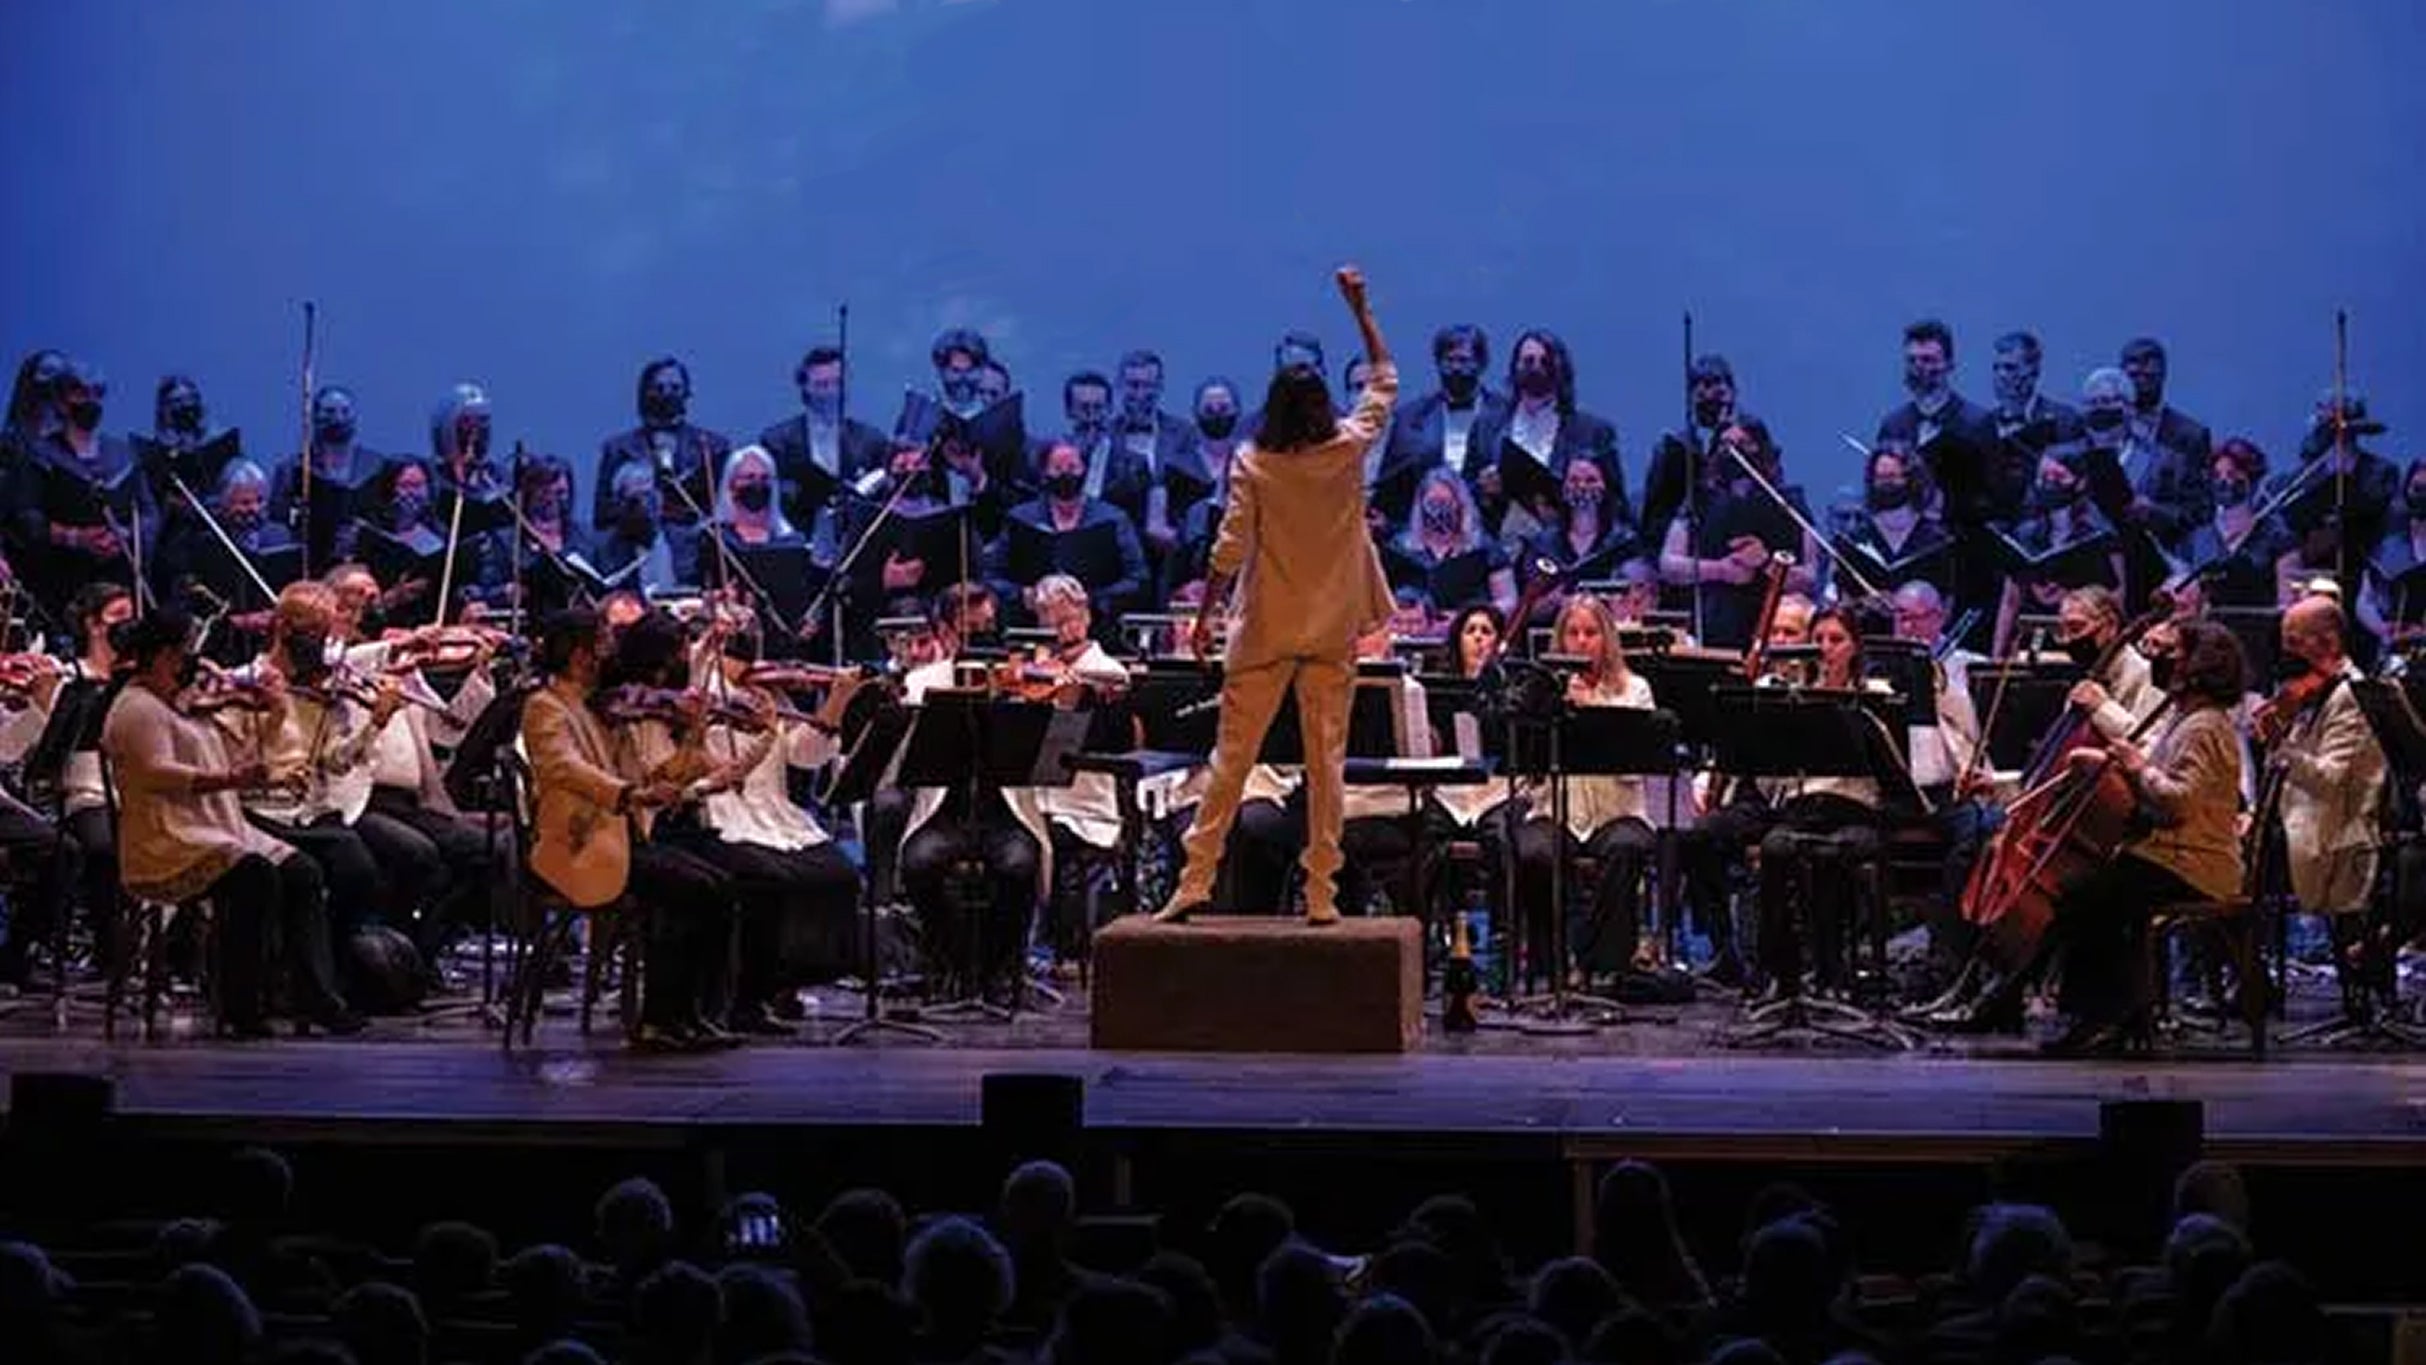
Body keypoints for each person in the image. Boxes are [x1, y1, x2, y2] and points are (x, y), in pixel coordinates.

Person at [1154, 265, 1397, 926]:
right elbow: (1383, 380)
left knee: (1230, 761)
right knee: (1326, 764)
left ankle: (1195, 879)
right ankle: (1321, 891)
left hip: (1266, 626)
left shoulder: (1255, 463)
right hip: (1331, 626)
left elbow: (1229, 548)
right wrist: (1360, 308)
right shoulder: (1347, 448)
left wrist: (1205, 616)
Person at [100, 607, 361, 1036]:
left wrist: (259, 711)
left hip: (215, 825)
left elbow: (228, 746)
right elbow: (156, 773)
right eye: (188, 652)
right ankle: (242, 1005)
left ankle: (314, 995)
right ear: (165, 656)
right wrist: (230, 779)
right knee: (253, 876)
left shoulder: (181, 704)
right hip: (166, 838)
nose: (197, 662)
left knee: (302, 871)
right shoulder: (137, 708)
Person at [522, 606, 735, 1049]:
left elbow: (646, 776)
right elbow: (563, 766)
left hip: (619, 837)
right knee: (689, 889)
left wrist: (693, 736)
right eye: (603, 643)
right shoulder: (546, 706)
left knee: (718, 885)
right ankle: (658, 1018)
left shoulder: (602, 708)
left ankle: (687, 1013)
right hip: (577, 844)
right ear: (579, 654)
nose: (611, 653)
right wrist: (630, 795)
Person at [2039, 618, 2248, 1054]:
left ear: (2198, 666)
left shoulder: (2203, 727)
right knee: (2089, 889)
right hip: (2171, 854)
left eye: (2172, 653)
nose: (2159, 660)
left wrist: (2136, 766)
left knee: (2090, 895)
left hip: (2195, 863)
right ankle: (2114, 1012)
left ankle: (2104, 1016)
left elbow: (2178, 804)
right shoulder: (2185, 719)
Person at [1513, 595, 1659, 982]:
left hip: (1618, 813)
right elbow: (1528, 768)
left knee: (1626, 848)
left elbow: (1634, 769)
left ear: (1607, 638)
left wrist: (1589, 709)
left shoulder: (1635, 689)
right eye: (1573, 633)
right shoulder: (1540, 690)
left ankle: (1604, 964)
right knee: (1535, 852)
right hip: (1555, 811)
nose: (1581, 642)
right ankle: (1552, 965)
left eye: (1591, 633)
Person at [2262, 597, 2392, 1020]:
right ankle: (2246, 985)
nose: (2285, 651)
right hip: (2301, 817)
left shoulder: (2351, 694)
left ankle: (2249, 987)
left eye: (2294, 641)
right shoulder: (2313, 689)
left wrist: (2281, 747)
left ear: (2330, 641)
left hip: (2334, 829)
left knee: (2225, 869)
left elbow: (2330, 778)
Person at [1375, 324, 1505, 528]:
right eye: (1449, 360)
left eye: (1464, 360)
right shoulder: (1410, 417)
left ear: (1482, 364)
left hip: (1490, 528)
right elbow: (1390, 487)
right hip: (1424, 529)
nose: (1456, 368)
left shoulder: (1505, 414)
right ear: (1437, 363)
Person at [593, 357, 733, 533]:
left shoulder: (713, 448)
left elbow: (725, 510)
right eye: (659, 388)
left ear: (687, 393)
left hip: (697, 543)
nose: (667, 394)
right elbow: (603, 516)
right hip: (637, 541)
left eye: (675, 388)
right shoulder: (618, 449)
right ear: (645, 393)